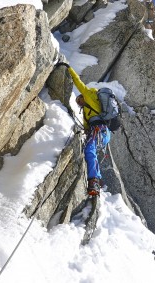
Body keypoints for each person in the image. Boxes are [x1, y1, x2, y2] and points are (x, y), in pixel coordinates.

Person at [56, 62, 111, 196]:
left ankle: (94, 182)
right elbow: (87, 128)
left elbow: (78, 82)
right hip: (102, 132)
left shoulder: (89, 95)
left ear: (82, 97)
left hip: (99, 129)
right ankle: (96, 179)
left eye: (79, 100)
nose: (79, 103)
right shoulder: (88, 110)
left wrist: (68, 68)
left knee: (89, 149)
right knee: (90, 151)